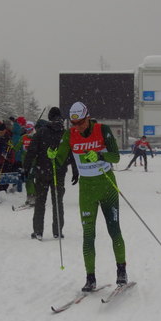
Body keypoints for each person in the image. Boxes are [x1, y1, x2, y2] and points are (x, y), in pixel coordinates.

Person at [47, 101, 128, 290]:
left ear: (88, 117)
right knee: (88, 234)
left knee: (114, 229)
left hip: (106, 185)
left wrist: (99, 155)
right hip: (87, 189)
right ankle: (90, 278)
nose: (78, 127)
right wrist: (52, 156)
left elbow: (116, 156)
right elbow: (59, 160)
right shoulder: (70, 134)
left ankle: (121, 270)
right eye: (74, 123)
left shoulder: (102, 129)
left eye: (81, 122)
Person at [23, 107, 78, 240]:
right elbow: (72, 154)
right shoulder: (64, 133)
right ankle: (57, 231)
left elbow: (31, 151)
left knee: (40, 202)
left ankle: (38, 231)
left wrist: (26, 168)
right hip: (58, 172)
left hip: (43, 171)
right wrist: (75, 170)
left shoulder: (41, 132)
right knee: (57, 202)